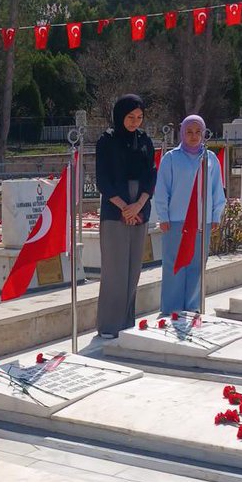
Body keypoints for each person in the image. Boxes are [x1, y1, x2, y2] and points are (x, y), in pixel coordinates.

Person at [94, 94, 155, 337]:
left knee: (133, 269)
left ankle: (127, 322)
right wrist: (124, 207)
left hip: (140, 206)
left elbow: (151, 175)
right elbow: (103, 180)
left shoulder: (144, 140)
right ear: (120, 115)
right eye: (130, 117)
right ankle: (109, 325)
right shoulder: (107, 141)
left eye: (139, 117)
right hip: (115, 208)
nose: (135, 122)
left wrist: (138, 204)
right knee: (115, 270)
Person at [153, 114, 226, 316]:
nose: (194, 136)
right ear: (182, 133)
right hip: (176, 220)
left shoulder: (210, 159)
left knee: (196, 265)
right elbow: (162, 189)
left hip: (202, 221)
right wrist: (163, 216)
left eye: (198, 132)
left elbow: (217, 190)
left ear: (204, 133)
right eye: (189, 132)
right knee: (175, 265)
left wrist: (216, 215)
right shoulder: (171, 158)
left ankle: (192, 307)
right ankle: (171, 309)